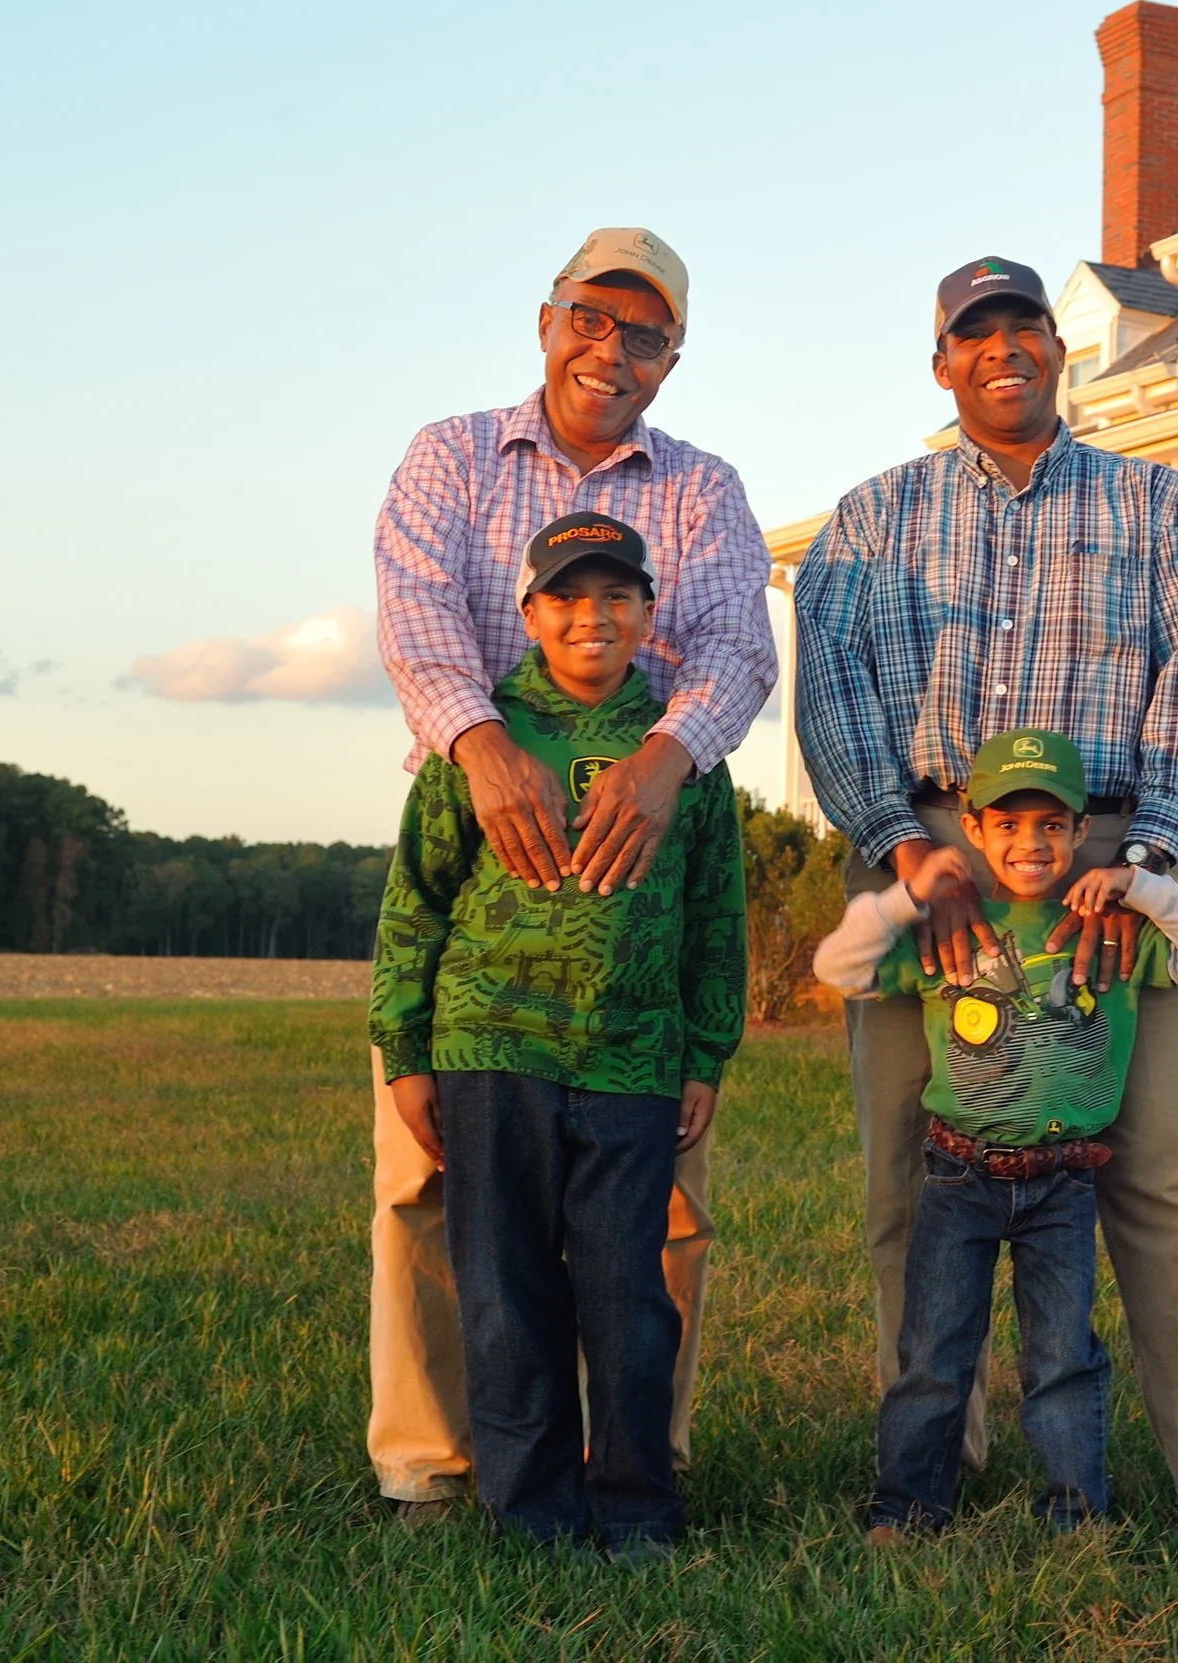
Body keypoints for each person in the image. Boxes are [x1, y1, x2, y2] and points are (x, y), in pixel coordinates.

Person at [793, 256, 1178, 1526]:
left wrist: (1150, 854)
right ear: (942, 362)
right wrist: (897, 840)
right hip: (926, 860)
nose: (1003, 349)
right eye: (976, 333)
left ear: (1058, 352)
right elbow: (833, 686)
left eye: (1025, 327)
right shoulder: (870, 519)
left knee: (1167, 1171)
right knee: (912, 1174)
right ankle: (930, 1461)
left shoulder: (1159, 509)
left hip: (1109, 862)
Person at [369, 229, 777, 1518]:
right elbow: (417, 612)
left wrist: (667, 758)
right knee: (437, 1199)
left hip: (638, 888)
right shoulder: (451, 454)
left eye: (643, 333)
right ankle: (443, 1462)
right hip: (481, 873)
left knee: (651, 1223)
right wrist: (485, 747)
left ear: (673, 354)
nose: (611, 349)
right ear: (547, 319)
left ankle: (640, 1463)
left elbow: (733, 651)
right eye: (591, 318)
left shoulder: (701, 490)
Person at [372, 512, 745, 1559]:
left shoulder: (685, 755)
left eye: (616, 594)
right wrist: (406, 1052)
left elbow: (717, 916)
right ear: (529, 613)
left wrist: (704, 1052)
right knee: (503, 1293)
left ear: (647, 613)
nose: (594, 615)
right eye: (568, 596)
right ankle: (528, 1511)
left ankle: (633, 1510)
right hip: (492, 1052)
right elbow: (417, 905)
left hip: (630, 1058)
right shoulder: (481, 743)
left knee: (628, 1295)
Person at [812, 729, 1178, 1541]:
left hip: (1061, 1181)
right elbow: (838, 968)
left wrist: (1140, 886)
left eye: (1051, 825)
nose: (1030, 843)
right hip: (958, 1175)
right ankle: (909, 1506)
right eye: (1008, 824)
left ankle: (1076, 1514)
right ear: (973, 827)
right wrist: (908, 894)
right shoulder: (948, 930)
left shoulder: (1108, 928)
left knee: (1062, 1359)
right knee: (934, 1351)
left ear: (1082, 832)